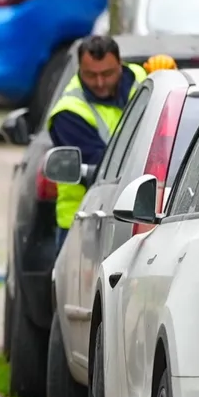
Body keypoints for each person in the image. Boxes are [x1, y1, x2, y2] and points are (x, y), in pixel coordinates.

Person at [48, 36, 148, 249]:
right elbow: (104, 171)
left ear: (120, 64)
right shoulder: (70, 111)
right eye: (91, 75)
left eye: (107, 74)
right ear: (79, 69)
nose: (100, 82)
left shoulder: (144, 81)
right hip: (82, 222)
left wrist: (169, 69)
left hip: (141, 216)